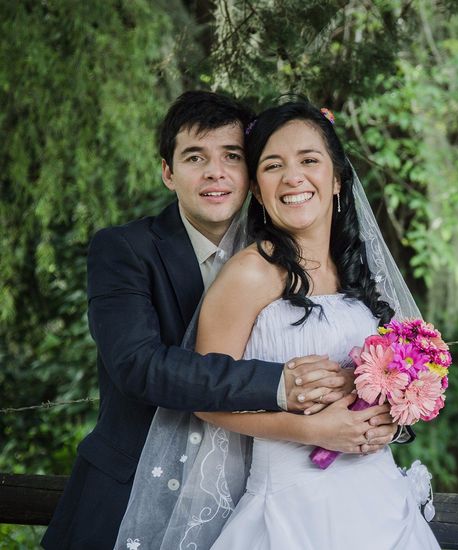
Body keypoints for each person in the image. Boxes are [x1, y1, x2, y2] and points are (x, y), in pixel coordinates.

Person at [43, 91, 400, 550]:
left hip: (258, 498)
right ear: (169, 173)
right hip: (133, 490)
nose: (215, 171)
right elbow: (138, 365)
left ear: (248, 172)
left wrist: (380, 415)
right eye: (195, 157)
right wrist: (279, 386)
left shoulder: (293, 250)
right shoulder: (125, 249)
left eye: (231, 156)